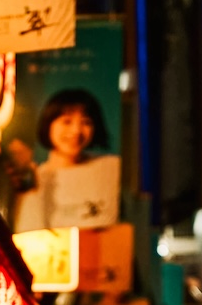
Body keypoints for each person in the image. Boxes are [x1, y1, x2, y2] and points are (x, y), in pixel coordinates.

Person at [8, 88, 121, 232]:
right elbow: (27, 233)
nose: (76, 131)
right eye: (67, 121)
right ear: (48, 124)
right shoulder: (35, 178)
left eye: (86, 122)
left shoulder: (111, 168)